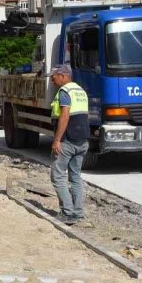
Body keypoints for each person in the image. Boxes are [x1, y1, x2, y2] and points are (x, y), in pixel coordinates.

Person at [48, 64, 90, 225]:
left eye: (54, 75)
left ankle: (68, 212)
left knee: (57, 175)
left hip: (68, 140)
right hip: (82, 140)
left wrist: (57, 140)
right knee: (75, 176)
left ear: (64, 76)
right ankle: (78, 213)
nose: (52, 78)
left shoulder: (65, 92)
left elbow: (64, 116)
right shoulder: (80, 91)